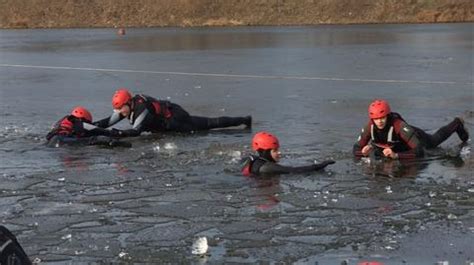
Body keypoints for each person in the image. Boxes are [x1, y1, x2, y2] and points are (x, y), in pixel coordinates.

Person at [93, 88, 252, 137]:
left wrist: (117, 133)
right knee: (209, 123)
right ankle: (243, 119)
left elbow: (136, 131)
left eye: (120, 108)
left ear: (128, 103)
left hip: (176, 119)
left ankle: (244, 120)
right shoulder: (128, 106)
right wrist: (90, 127)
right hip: (169, 116)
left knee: (209, 125)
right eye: (118, 108)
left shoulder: (142, 109)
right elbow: (108, 121)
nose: (119, 112)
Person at [353, 99, 469, 159]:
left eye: (382, 118)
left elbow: (419, 151)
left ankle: (457, 123)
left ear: (387, 115)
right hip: (395, 146)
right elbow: (356, 149)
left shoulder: (399, 126)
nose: (380, 122)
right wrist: (362, 152)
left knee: (435, 140)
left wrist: (396, 156)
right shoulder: (370, 126)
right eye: (376, 119)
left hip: (416, 137)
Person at [242, 131, 335, 176]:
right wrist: (320, 165)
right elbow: (294, 171)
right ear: (265, 152)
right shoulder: (267, 167)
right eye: (275, 150)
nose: (279, 153)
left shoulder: (252, 159)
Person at [46, 106, 129, 147]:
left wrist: (120, 115)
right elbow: (101, 131)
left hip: (52, 143)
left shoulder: (65, 122)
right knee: (97, 139)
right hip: (62, 141)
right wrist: (120, 135)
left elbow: (98, 125)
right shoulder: (80, 124)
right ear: (84, 119)